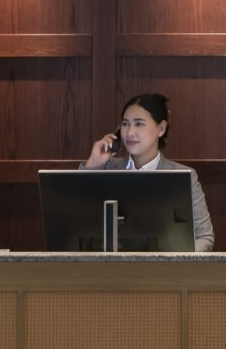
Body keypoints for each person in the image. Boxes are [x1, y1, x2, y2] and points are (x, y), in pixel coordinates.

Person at [85, 92, 215, 252]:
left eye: (139, 124)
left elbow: (205, 238)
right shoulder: (107, 168)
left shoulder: (184, 175)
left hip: (164, 272)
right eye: (125, 124)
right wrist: (93, 165)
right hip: (108, 270)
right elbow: (74, 222)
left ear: (161, 128)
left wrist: (170, 261)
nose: (130, 132)